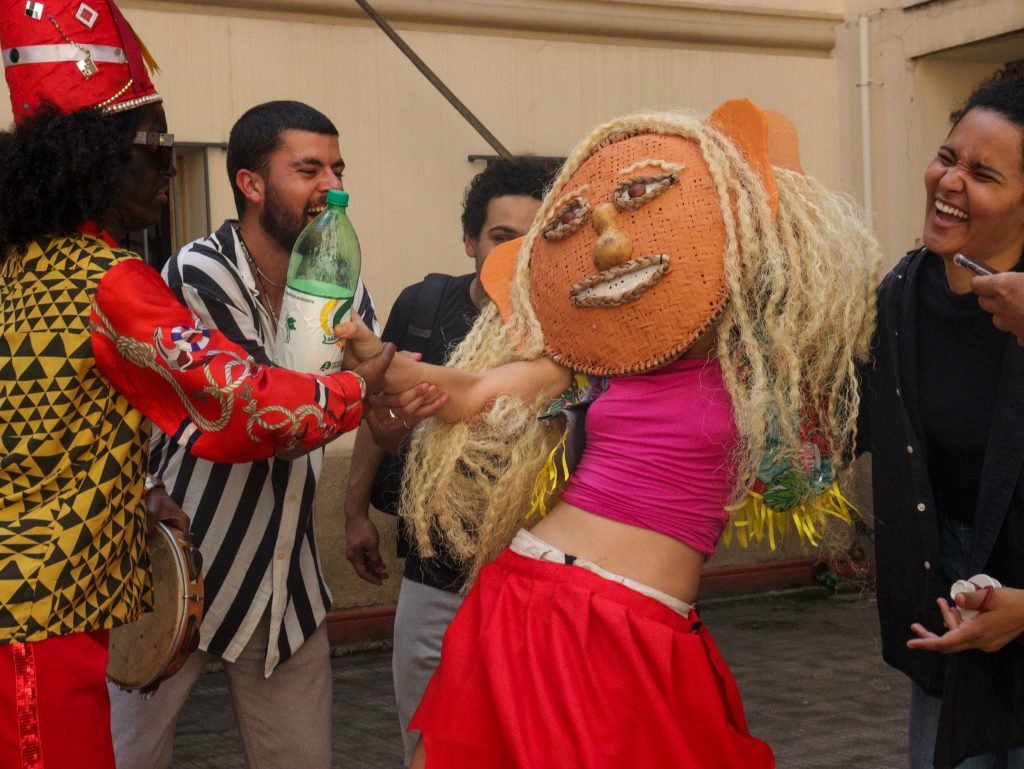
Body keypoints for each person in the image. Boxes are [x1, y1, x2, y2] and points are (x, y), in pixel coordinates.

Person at [339, 100, 879, 768]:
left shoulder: (764, 362)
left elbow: (798, 470)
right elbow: (478, 391)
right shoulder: (604, 351)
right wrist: (383, 365)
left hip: (651, 624)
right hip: (551, 610)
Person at [0, 4, 392, 769]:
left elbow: (38, 435)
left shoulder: (21, 271)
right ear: (97, 158)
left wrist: (128, 492)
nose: (167, 168)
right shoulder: (112, 281)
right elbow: (244, 407)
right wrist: (356, 385)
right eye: (154, 147)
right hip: (45, 623)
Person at [106, 100, 380, 769]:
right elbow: (268, 421)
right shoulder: (196, 274)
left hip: (286, 588)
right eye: (308, 169)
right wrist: (369, 382)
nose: (329, 185)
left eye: (336, 168)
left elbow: (371, 416)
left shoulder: (342, 276)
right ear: (251, 184)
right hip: (178, 575)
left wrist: (399, 407)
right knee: (123, 757)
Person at [343, 155, 551, 764]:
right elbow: (376, 414)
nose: (516, 253)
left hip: (532, 585)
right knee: (428, 746)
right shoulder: (425, 306)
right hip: (434, 578)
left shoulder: (569, 331)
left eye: (534, 240)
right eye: (501, 237)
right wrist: (356, 510)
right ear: (469, 240)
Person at [858, 65, 1024, 769]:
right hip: (951, 621)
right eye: (948, 157)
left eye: (984, 174)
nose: (949, 181)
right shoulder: (900, 297)